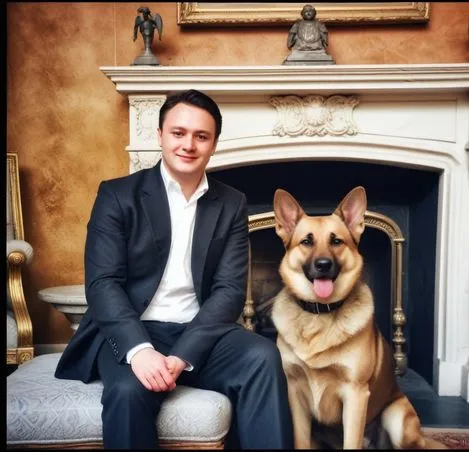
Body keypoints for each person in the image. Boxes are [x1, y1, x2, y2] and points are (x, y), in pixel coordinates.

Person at [54, 89, 294, 449]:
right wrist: (140, 351)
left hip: (199, 331)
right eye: (178, 133)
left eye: (201, 136)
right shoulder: (117, 195)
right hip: (134, 328)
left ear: (214, 144)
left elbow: (229, 290)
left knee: (263, 356)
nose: (188, 145)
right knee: (126, 391)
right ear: (160, 136)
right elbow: (103, 283)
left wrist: (182, 355)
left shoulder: (231, 203)